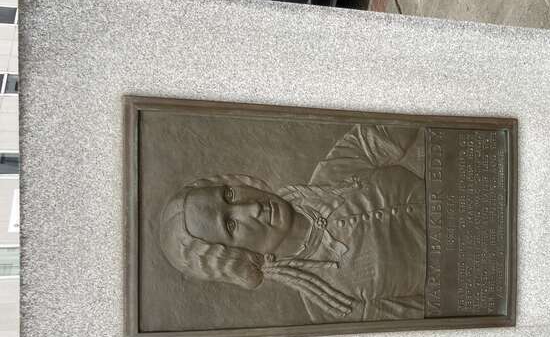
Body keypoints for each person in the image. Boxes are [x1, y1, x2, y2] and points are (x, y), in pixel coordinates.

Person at [159, 123, 427, 323]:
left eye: (229, 195)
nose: (251, 207)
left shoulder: (333, 174)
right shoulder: (335, 304)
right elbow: (439, 313)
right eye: (230, 225)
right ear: (235, 257)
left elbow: (408, 121)